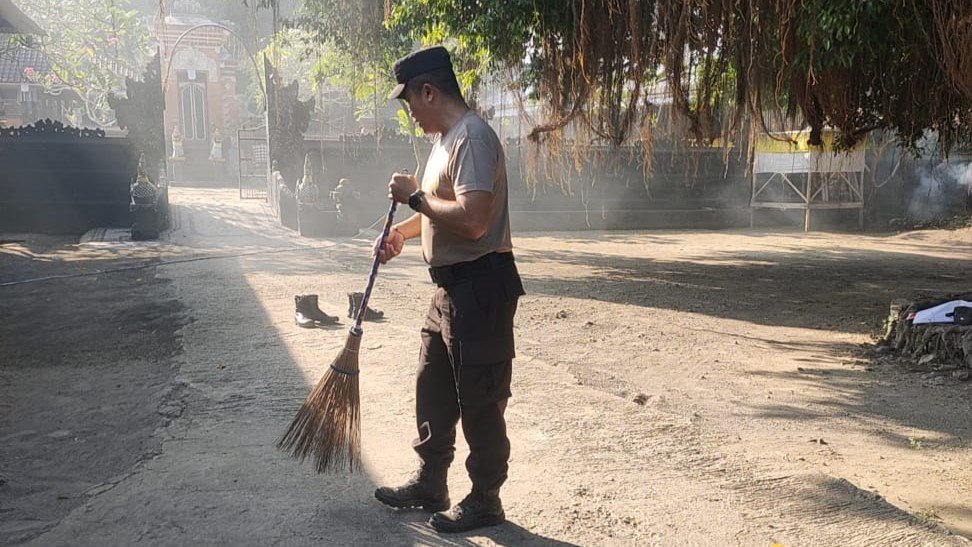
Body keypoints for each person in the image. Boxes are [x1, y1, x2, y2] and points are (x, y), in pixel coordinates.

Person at [372, 45, 525, 534]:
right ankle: (431, 480)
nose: (411, 114)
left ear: (430, 91)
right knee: (432, 385)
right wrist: (403, 232)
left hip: (480, 286)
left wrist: (415, 196)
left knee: (479, 395)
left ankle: (485, 498)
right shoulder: (444, 141)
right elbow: (441, 213)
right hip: (448, 291)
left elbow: (474, 220)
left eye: (410, 103)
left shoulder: (472, 138)